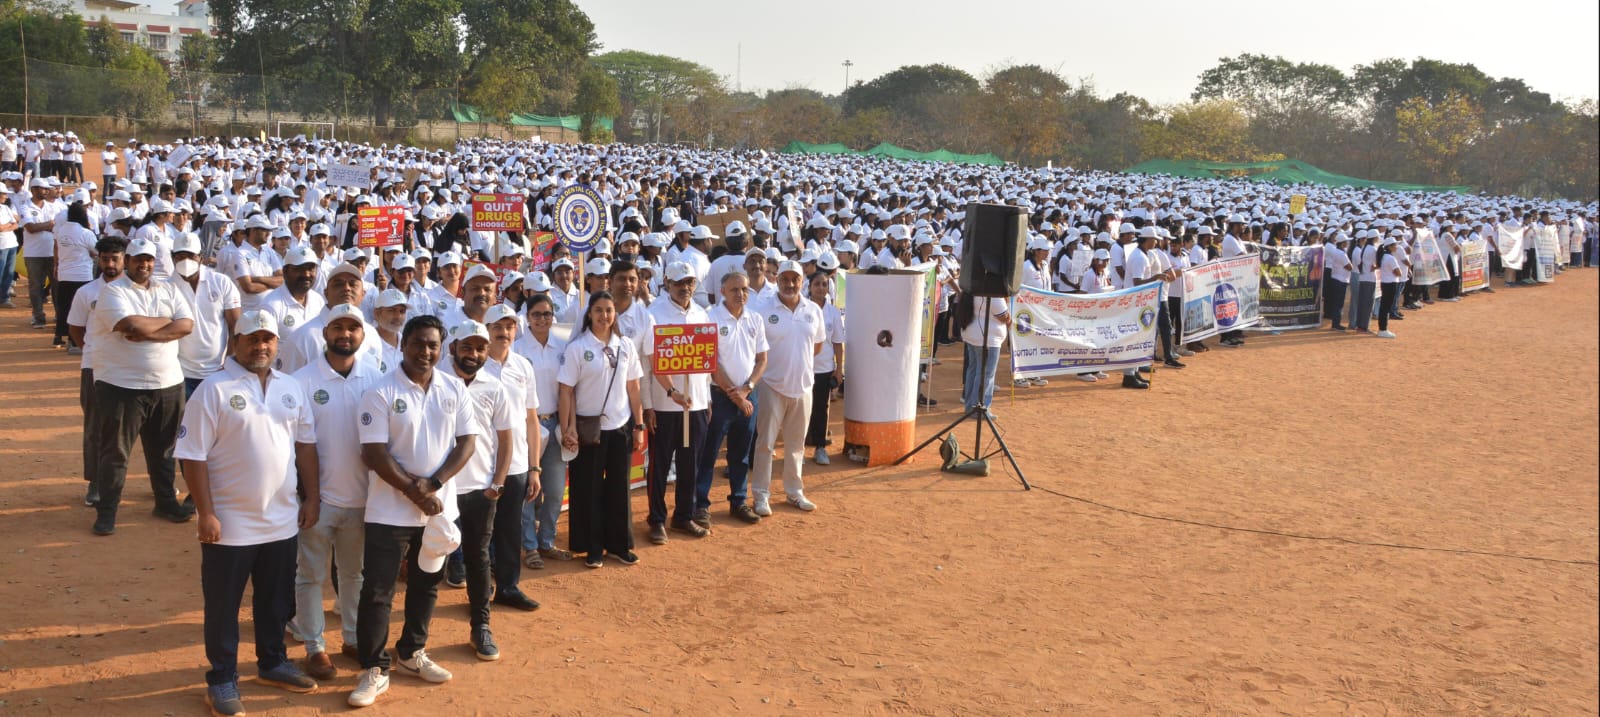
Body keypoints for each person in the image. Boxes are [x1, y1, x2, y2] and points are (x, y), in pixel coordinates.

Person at [175, 309, 321, 717]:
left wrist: (313, 497)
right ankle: (222, 678)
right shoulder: (212, 390)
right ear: (235, 343)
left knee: (275, 601)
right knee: (223, 606)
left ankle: (273, 662)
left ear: (277, 344)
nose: (260, 346)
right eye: (251, 339)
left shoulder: (291, 387)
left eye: (268, 339)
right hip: (231, 525)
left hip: (281, 520)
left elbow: (305, 446)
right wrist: (206, 513)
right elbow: (192, 456)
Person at [349, 315, 478, 708]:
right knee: (378, 591)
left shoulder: (454, 388)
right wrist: (414, 490)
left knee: (427, 584)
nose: (425, 352)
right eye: (418, 343)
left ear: (443, 349)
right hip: (389, 512)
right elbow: (374, 453)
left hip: (438, 510)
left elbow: (467, 443)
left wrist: (433, 485)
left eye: (433, 345)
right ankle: (374, 665)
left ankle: (411, 653)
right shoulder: (379, 391)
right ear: (403, 345)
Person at [289, 304, 383, 681]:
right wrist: (307, 497)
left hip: (362, 501)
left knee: (354, 575)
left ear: (363, 335)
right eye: (338, 327)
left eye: (353, 328)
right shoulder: (300, 381)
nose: (346, 334)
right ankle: (314, 647)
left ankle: (352, 638)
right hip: (317, 501)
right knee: (309, 576)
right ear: (325, 333)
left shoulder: (376, 379)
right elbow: (295, 445)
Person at [88, 238, 195, 535]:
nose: (144, 265)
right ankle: (107, 511)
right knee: (116, 452)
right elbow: (130, 326)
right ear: (127, 261)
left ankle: (164, 502)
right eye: (138, 259)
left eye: (149, 260)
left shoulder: (169, 288)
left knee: (164, 450)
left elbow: (186, 325)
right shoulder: (112, 292)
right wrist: (166, 323)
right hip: (121, 384)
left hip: (168, 383)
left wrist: (152, 333)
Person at [440, 319, 516, 661]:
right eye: (466, 347)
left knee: (478, 559)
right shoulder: (436, 382)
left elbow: (505, 439)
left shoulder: (495, 387)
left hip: (480, 490)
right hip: (439, 490)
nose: (473, 354)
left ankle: (480, 626)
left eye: (480, 348)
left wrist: (497, 483)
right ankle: (416, 635)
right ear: (452, 348)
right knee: (428, 560)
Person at [558, 290, 646, 569]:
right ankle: (592, 547)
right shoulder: (576, 348)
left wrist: (639, 424)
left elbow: (634, 387)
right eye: (598, 310)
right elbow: (566, 391)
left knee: (619, 487)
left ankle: (619, 545)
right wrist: (568, 427)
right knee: (589, 489)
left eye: (609, 310)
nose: (604, 316)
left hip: (619, 426)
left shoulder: (626, 346)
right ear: (589, 314)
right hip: (588, 428)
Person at [477, 304, 543, 611]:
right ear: (487, 331)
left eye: (510, 327)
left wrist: (534, 468)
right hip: (480, 466)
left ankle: (508, 586)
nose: (504, 333)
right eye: (498, 328)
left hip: (516, 464)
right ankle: (479, 593)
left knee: (509, 529)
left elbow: (531, 419)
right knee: (479, 533)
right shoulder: (473, 366)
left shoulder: (523, 366)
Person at [749, 261, 825, 515]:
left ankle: (794, 492)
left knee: (796, 445)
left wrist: (798, 367)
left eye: (795, 279)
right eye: (785, 279)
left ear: (802, 281)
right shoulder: (762, 309)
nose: (790, 284)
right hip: (771, 385)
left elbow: (816, 346)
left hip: (803, 387)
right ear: (777, 280)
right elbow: (757, 349)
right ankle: (761, 495)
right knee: (765, 444)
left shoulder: (813, 310)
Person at [644, 262, 712, 542]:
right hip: (664, 405)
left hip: (694, 404)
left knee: (689, 464)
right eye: (679, 283)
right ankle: (656, 519)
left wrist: (706, 399)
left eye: (690, 282)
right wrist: (648, 406)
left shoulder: (702, 314)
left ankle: (684, 516)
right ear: (667, 284)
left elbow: (707, 363)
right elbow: (648, 365)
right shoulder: (654, 315)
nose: (685, 288)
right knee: (659, 466)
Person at [696, 271, 767, 524]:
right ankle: (700, 505)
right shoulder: (710, 317)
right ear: (723, 291)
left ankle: (739, 501)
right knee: (709, 453)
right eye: (735, 289)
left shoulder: (755, 319)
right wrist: (736, 396)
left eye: (744, 289)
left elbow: (762, 359)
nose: (741, 294)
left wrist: (747, 388)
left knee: (741, 454)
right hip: (720, 398)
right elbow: (711, 362)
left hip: (749, 396)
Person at [513, 293, 570, 569]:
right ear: (527, 318)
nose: (542, 319)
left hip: (556, 423)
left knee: (556, 491)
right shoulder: (517, 349)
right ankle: (530, 545)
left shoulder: (563, 345)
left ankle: (547, 540)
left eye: (547, 314)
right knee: (529, 491)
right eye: (536, 314)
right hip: (528, 426)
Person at [67, 237, 125, 506]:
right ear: (98, 259)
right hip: (96, 369)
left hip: (132, 369)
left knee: (140, 429)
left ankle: (160, 484)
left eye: (115, 258)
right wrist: (93, 352)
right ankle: (96, 483)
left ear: (125, 259)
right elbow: (76, 329)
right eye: (105, 259)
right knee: (95, 427)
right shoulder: (87, 292)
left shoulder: (137, 290)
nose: (110, 264)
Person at [172, 234, 243, 396]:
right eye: (180, 256)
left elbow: (235, 326)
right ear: (173, 258)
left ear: (201, 257)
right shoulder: (167, 287)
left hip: (217, 372)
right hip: (180, 374)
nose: (186, 261)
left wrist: (229, 363)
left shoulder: (221, 282)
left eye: (191, 256)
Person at [803, 271, 845, 465]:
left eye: (824, 284)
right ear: (809, 287)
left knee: (821, 408)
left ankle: (820, 447)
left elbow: (837, 342)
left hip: (824, 368)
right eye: (817, 284)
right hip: (802, 367)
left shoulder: (833, 312)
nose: (821, 288)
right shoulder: (802, 309)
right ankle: (798, 449)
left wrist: (838, 369)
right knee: (800, 410)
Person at [52, 202, 98, 350]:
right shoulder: (85, 233)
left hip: (64, 274)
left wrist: (56, 265)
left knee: (64, 306)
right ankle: (75, 340)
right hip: (82, 276)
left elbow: (57, 248)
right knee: (81, 309)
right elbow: (96, 251)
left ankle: (59, 336)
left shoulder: (60, 231)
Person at [956, 290, 1012, 409]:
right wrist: (1009, 319)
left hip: (972, 334)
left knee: (973, 370)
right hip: (987, 340)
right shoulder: (992, 292)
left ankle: (970, 406)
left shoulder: (972, 287)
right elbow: (1004, 316)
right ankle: (980, 408)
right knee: (985, 374)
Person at [1376, 237, 1403, 339]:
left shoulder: (1385, 257)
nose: (1396, 247)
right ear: (1390, 247)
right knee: (1386, 307)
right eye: (1395, 245)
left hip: (1386, 283)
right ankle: (1383, 329)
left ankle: (1383, 328)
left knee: (1385, 307)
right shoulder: (1390, 258)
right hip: (1390, 283)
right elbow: (1398, 272)